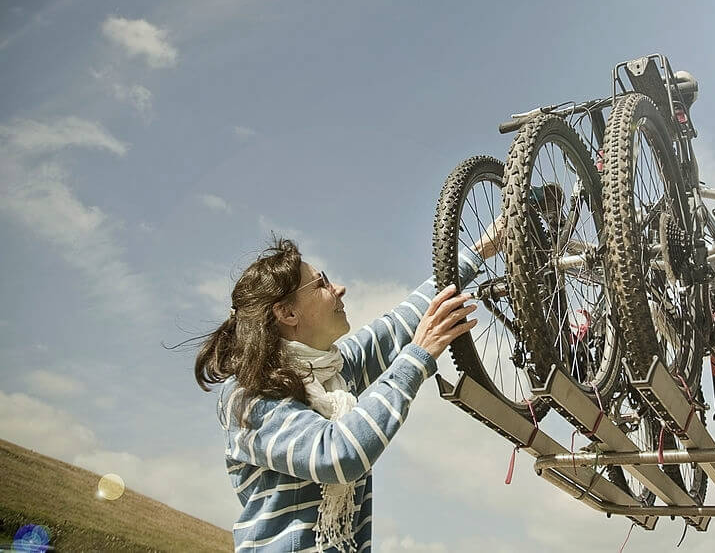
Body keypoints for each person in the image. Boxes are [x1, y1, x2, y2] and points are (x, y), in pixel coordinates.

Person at [194, 230, 499, 552]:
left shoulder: (335, 370)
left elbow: (402, 324)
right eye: (321, 284)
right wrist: (416, 358)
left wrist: (480, 250)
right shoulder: (248, 397)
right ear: (287, 313)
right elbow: (337, 455)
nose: (339, 289)